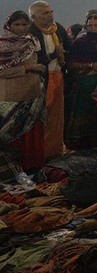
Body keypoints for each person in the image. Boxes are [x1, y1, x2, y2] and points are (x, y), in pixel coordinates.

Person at [1, 11, 47, 170]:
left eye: (24, 24)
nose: (21, 28)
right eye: (17, 24)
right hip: (11, 98)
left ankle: (33, 168)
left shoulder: (32, 42)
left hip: (32, 95)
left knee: (32, 137)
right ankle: (12, 170)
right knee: (11, 137)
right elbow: (1, 71)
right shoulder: (3, 44)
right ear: (9, 25)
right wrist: (29, 68)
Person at [64, 11, 97, 150]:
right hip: (84, 86)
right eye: (90, 25)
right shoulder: (80, 43)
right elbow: (70, 64)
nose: (93, 28)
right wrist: (91, 65)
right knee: (84, 117)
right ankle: (81, 146)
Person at [28, 1, 71, 159]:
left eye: (51, 11)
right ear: (33, 17)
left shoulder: (57, 29)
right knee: (41, 117)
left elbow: (69, 48)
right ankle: (40, 152)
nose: (50, 15)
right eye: (45, 13)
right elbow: (34, 60)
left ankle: (54, 151)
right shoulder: (30, 33)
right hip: (38, 81)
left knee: (56, 118)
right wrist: (55, 54)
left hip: (58, 76)